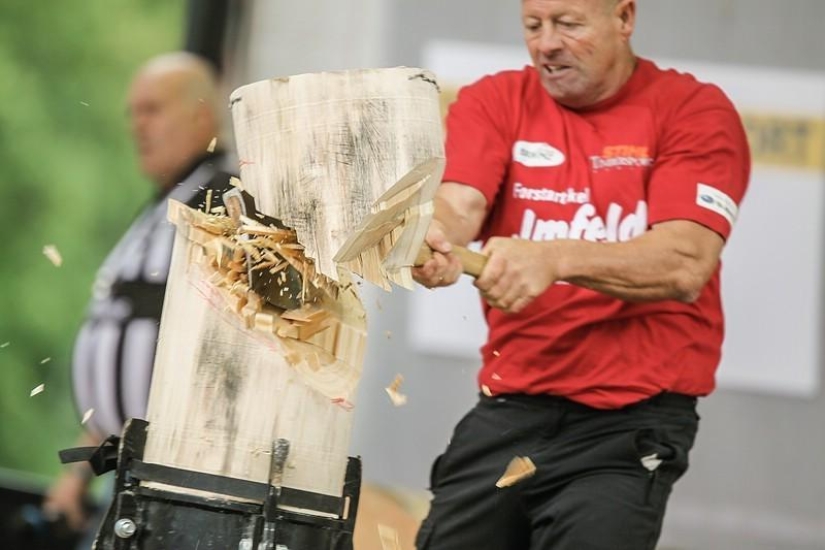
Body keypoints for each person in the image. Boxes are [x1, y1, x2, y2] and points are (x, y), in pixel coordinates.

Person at [412, 0, 750, 549]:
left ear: (624, 19)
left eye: (568, 24)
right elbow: (460, 204)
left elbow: (685, 262)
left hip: (628, 422)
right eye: (533, 25)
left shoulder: (694, 110)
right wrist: (431, 234)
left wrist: (556, 259)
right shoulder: (494, 99)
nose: (547, 42)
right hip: (512, 404)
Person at [42, 51, 236, 539]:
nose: (137, 126)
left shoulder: (221, 202)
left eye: (152, 110)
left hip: (176, 481)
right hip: (127, 475)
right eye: (133, 113)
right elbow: (131, 368)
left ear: (200, 114)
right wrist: (78, 470)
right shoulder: (164, 204)